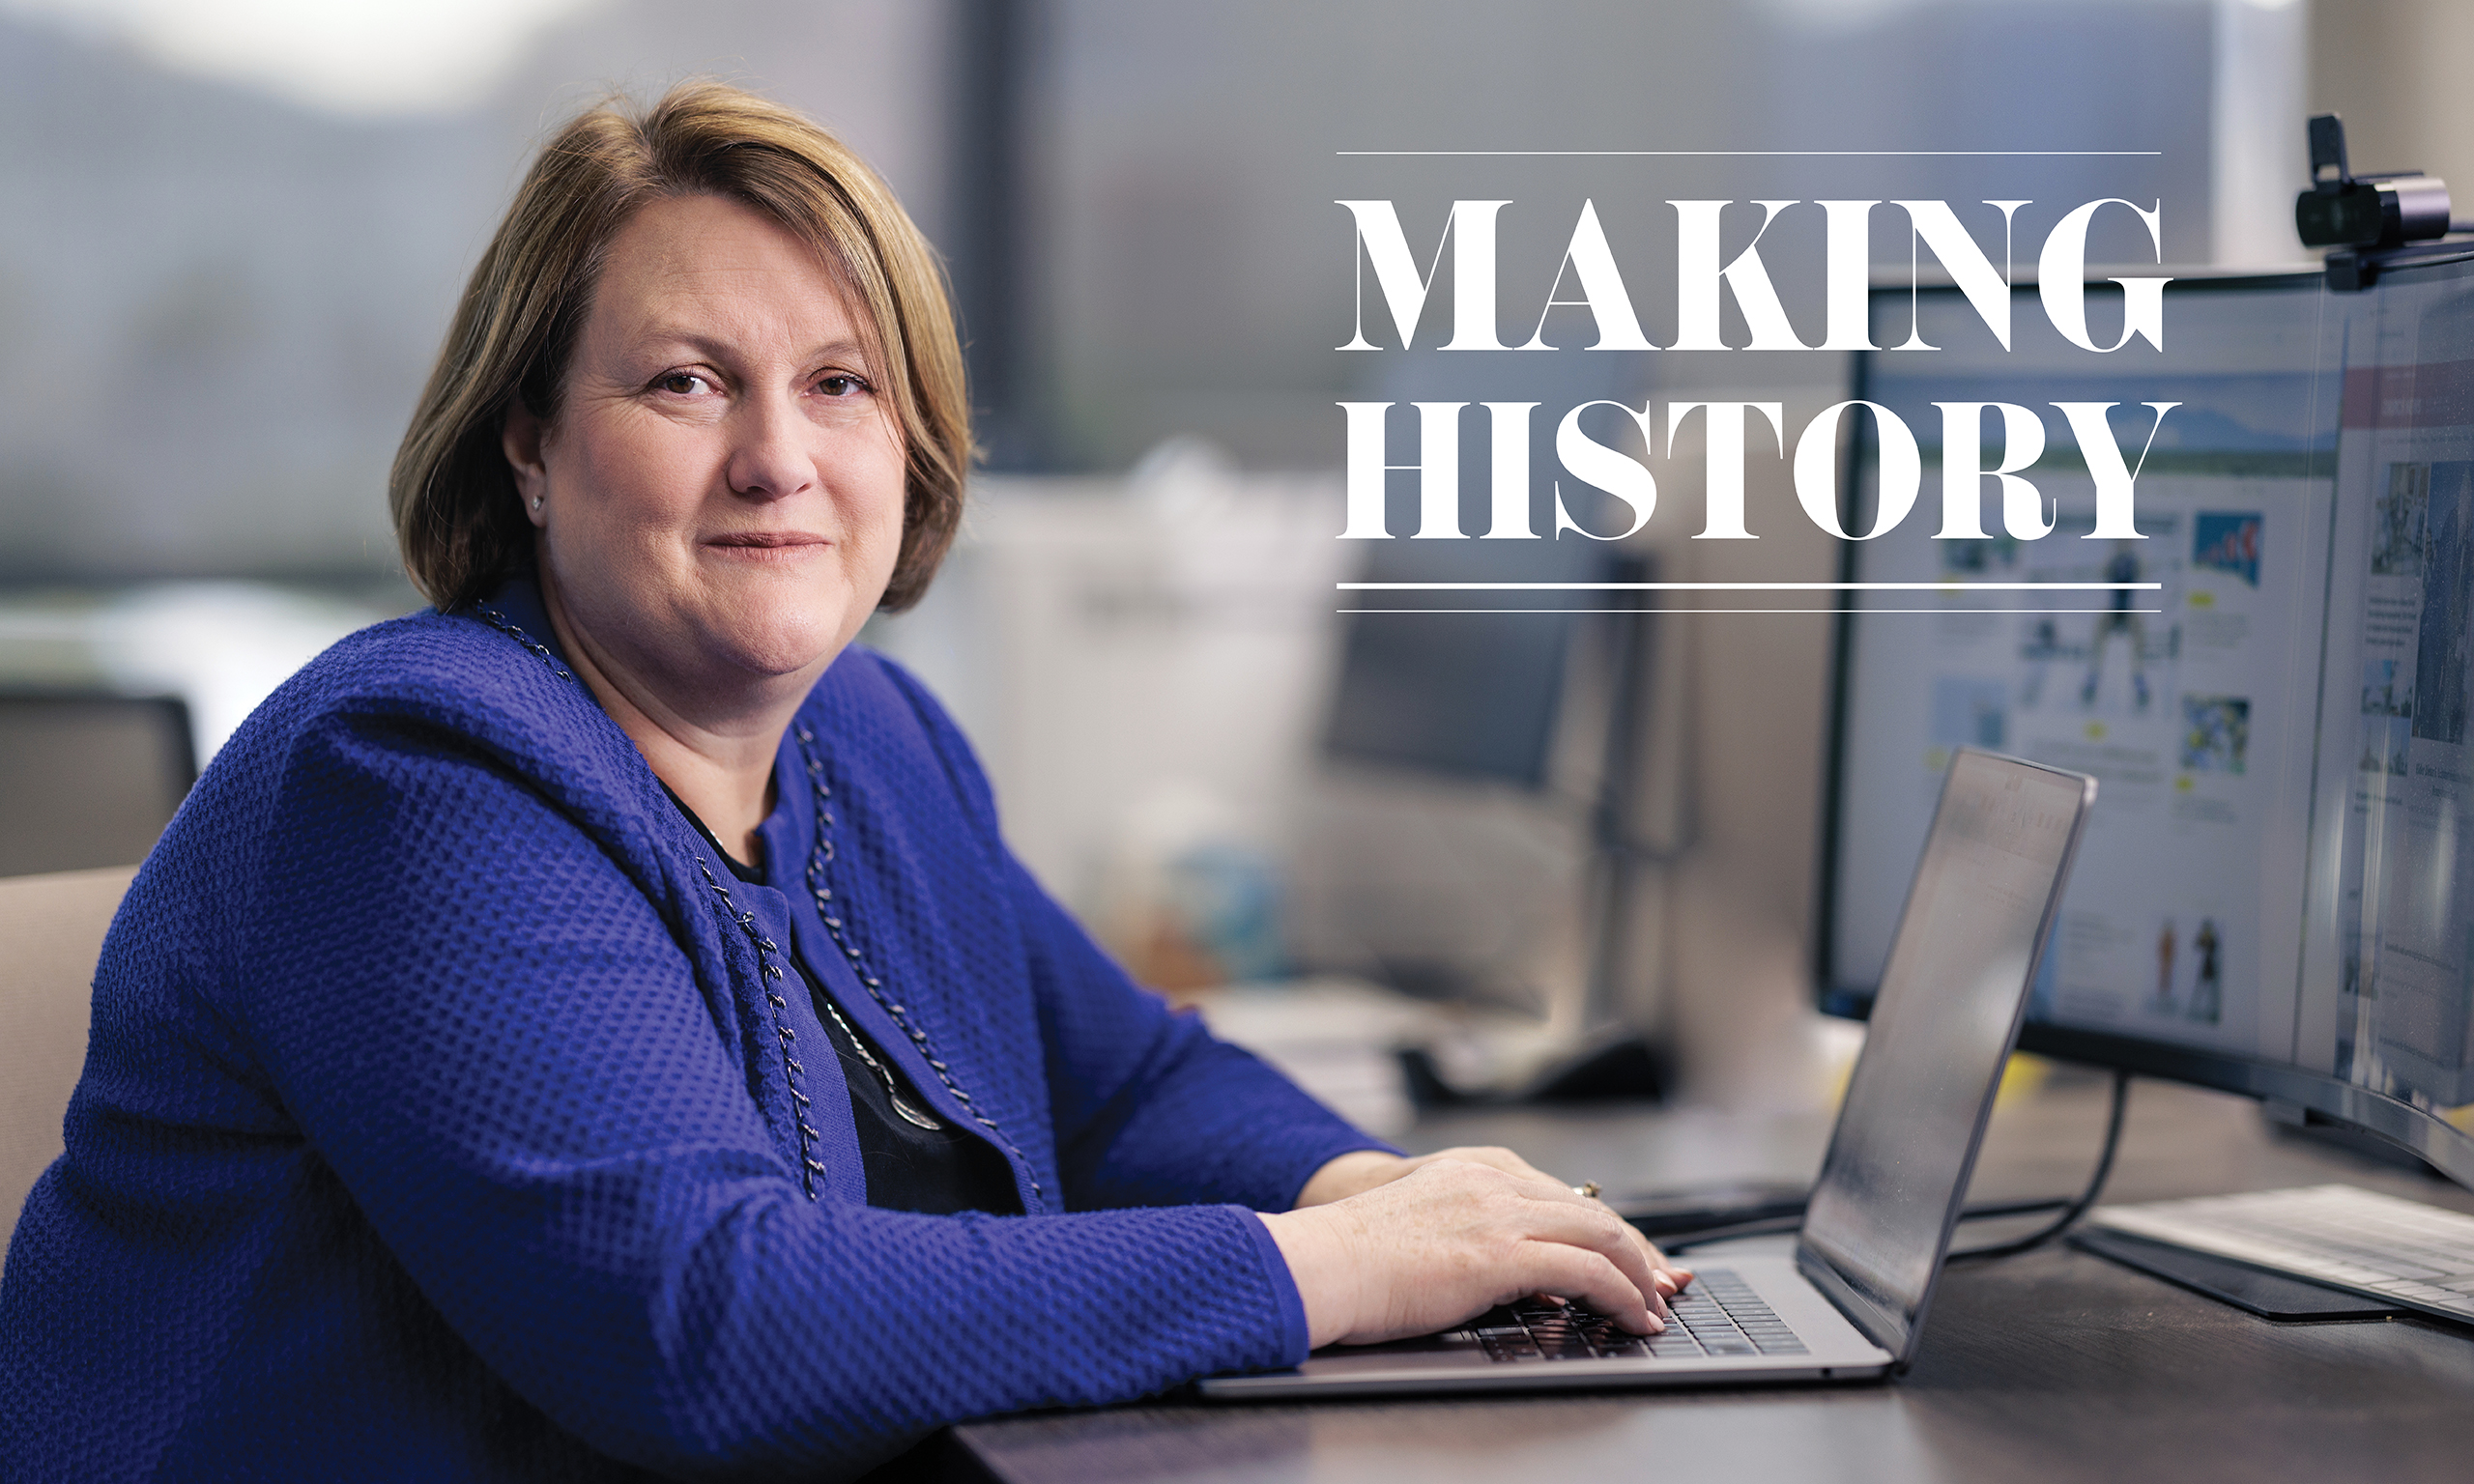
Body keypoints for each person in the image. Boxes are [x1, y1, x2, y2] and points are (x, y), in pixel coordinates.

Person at [0, 82, 1683, 1480]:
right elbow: (702, 1324)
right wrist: (1321, 1272)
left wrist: (1402, 1203)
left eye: (839, 385)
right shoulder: (415, 778)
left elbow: (1121, 1089)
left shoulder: (867, 740)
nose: (776, 459)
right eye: (685, 383)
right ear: (527, 442)